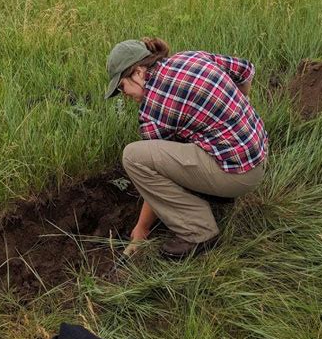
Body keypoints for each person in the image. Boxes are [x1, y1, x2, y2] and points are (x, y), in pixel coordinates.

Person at [105, 38, 268, 259]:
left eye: (122, 86)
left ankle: (198, 231)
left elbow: (155, 170)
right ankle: (214, 193)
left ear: (138, 72)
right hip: (258, 153)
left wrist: (141, 229)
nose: (124, 95)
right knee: (183, 143)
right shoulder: (189, 57)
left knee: (133, 156)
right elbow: (245, 69)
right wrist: (235, 110)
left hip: (239, 175)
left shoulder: (153, 109)